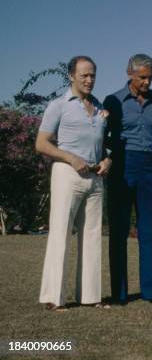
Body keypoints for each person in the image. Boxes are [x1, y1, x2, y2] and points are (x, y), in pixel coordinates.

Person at [37, 56, 112, 311]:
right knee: (60, 233)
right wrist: (70, 158)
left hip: (95, 177)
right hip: (67, 174)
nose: (89, 80)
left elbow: (103, 144)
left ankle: (91, 297)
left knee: (92, 236)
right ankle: (53, 297)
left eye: (92, 75)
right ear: (71, 76)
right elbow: (42, 143)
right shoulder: (58, 106)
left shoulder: (99, 106)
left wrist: (107, 161)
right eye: (84, 75)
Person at [104, 54, 152, 305]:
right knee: (119, 230)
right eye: (142, 77)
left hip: (148, 166)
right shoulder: (113, 100)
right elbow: (102, 134)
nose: (147, 82)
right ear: (129, 73)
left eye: (150, 77)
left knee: (147, 230)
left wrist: (146, 148)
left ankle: (151, 292)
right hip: (122, 164)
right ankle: (118, 294)